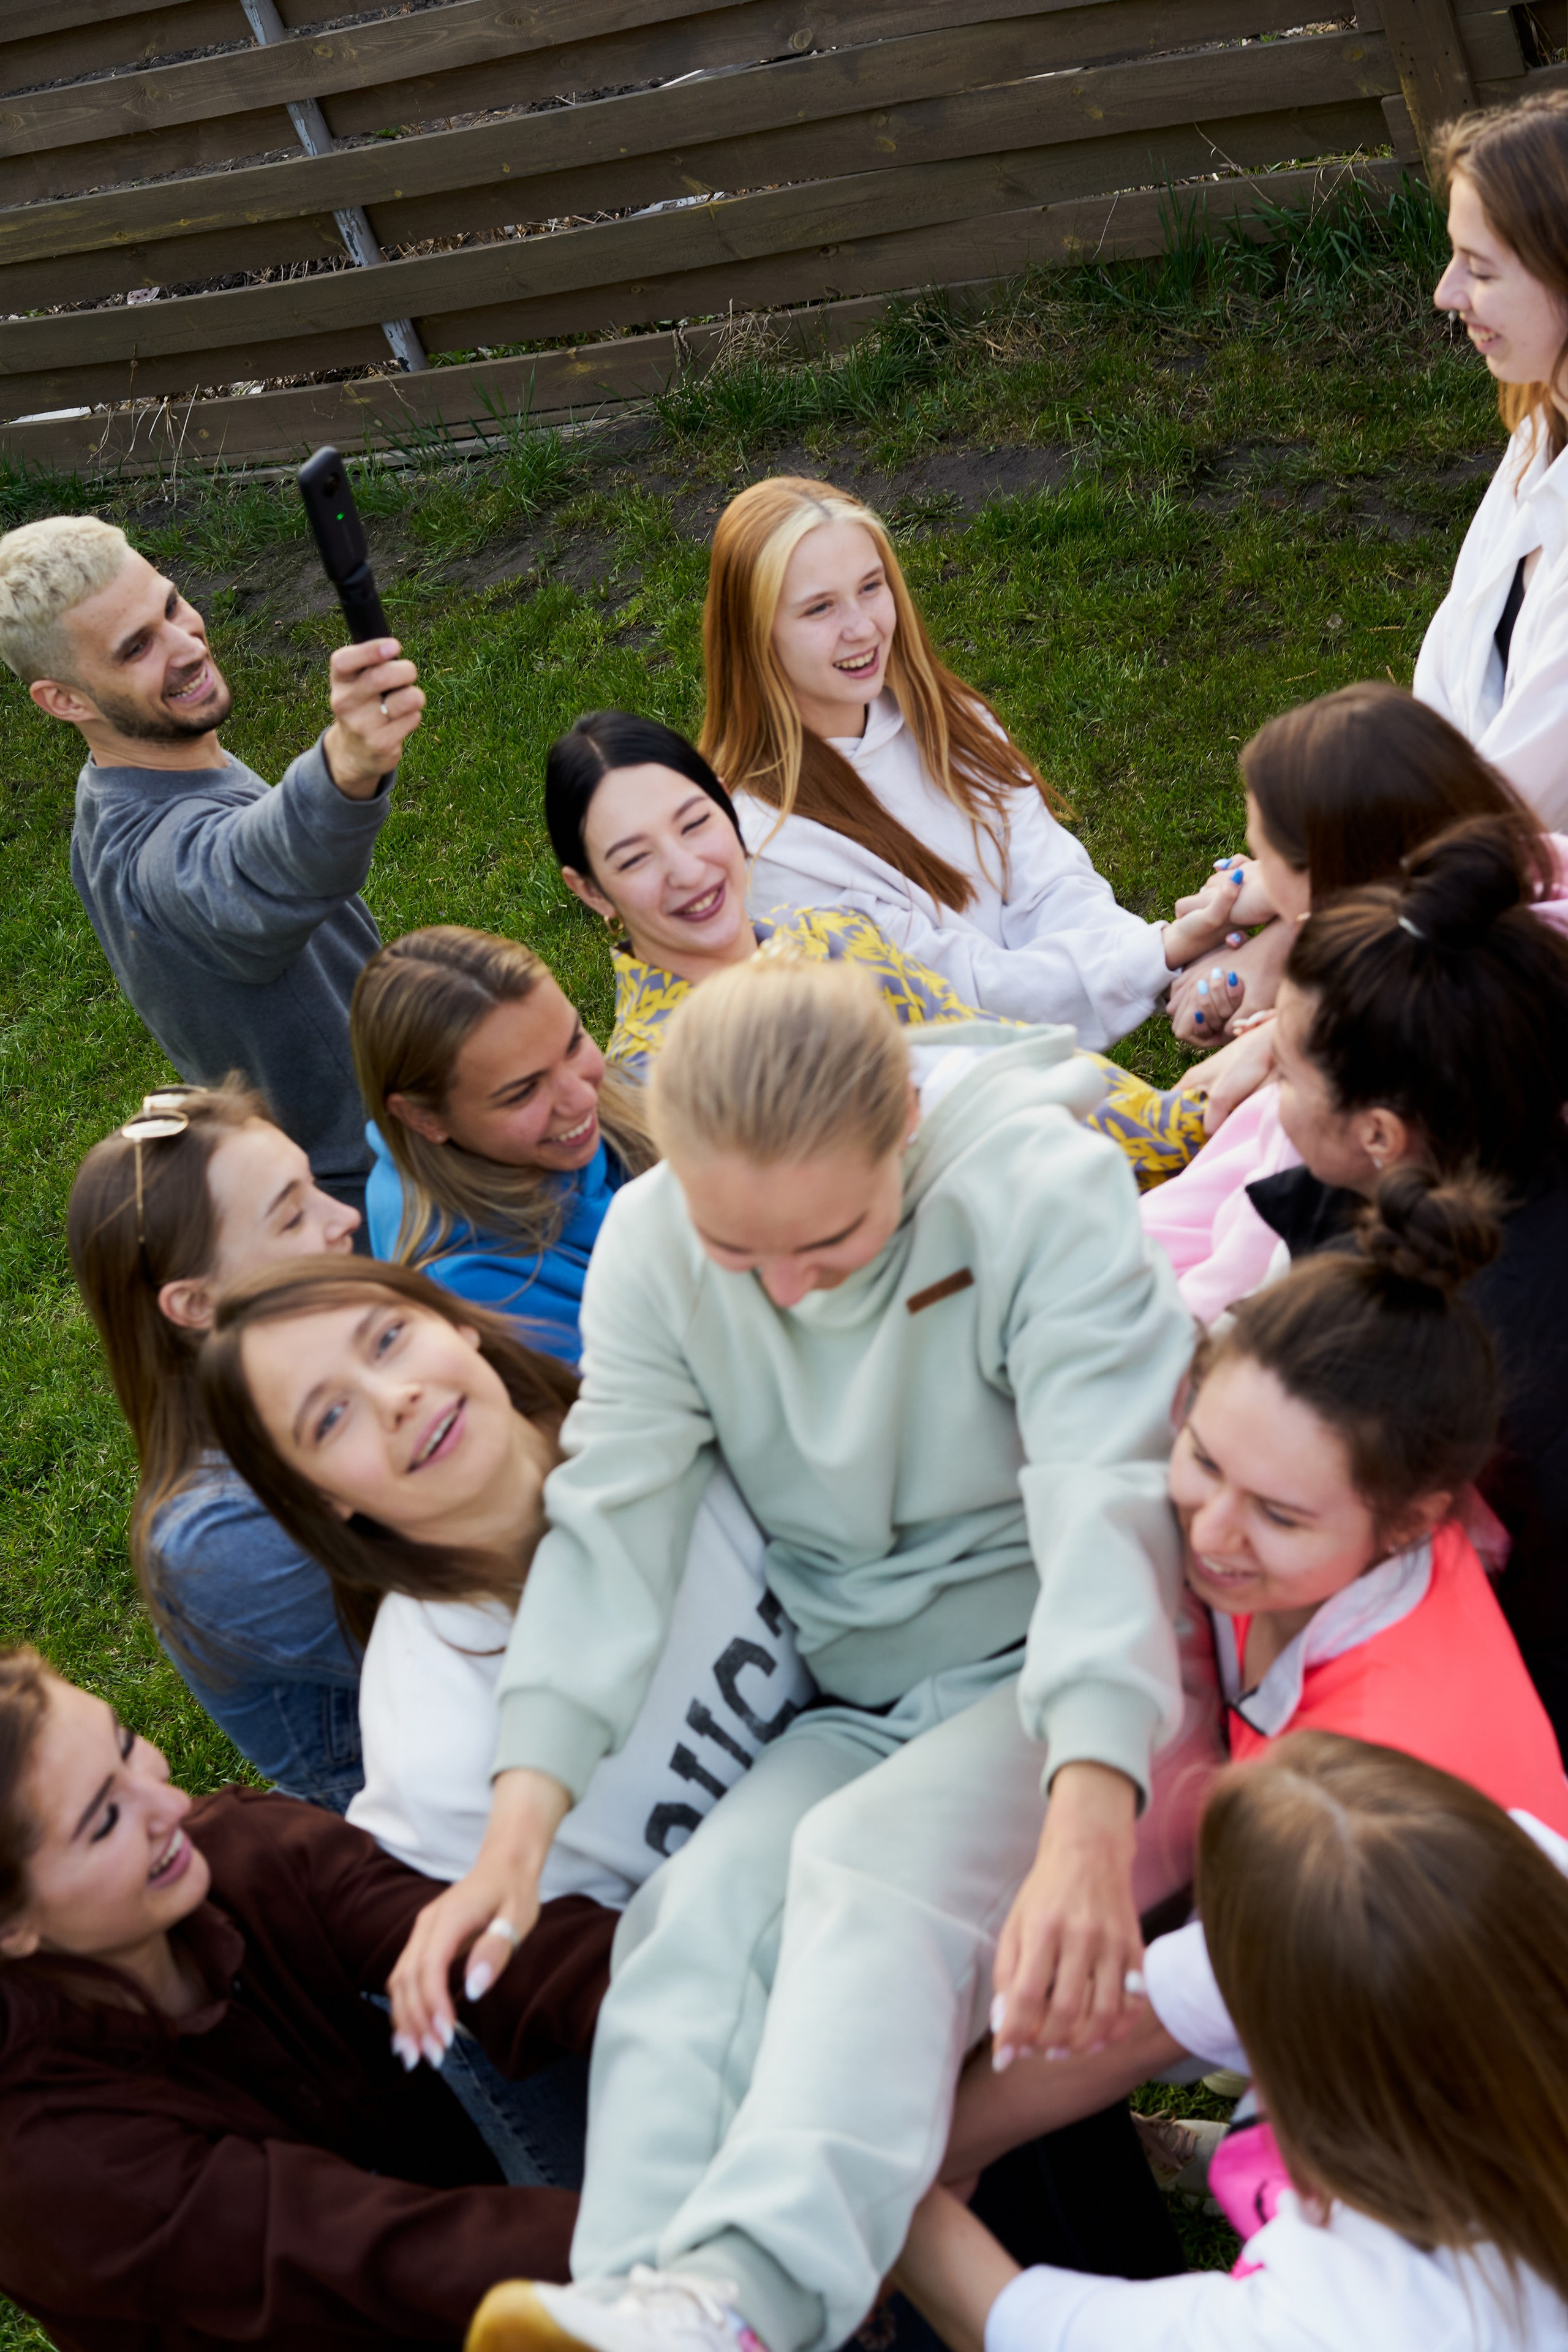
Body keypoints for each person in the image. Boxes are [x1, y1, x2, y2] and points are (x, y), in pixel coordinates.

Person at [387, 954, 1219, 2352]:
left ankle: (747, 2303)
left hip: (1082, 1676)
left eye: (826, 1245)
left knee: (858, 1872)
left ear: (901, 1111)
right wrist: (518, 1820)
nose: (778, 1291)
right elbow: (610, 1521)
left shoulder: (1032, 1190)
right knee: (687, 1924)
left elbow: (1105, 1494)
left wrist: (1088, 1812)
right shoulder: (654, 1243)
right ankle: (631, 2306)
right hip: (868, 1694)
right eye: (737, 1252)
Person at [881, 1189, 1568, 2280]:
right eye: (1201, 1461)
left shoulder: (1388, 1768)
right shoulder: (1288, 1475)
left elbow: (1154, 2016)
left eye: (1280, 1518)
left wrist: (917, 2164)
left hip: (1436, 2133)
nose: (1210, 1531)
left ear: (1416, 1522)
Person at [0, 1646, 616, 2352]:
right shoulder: (53, 2161)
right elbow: (367, 2256)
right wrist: (658, 2249)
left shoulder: (241, 1852)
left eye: (127, 1745)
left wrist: (715, 2009)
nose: (169, 1800)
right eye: (104, 1820)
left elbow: (500, 1950)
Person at [885, 1736, 1568, 2352]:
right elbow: (1146, 2019)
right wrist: (949, 2148)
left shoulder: (1336, 2319)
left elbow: (999, 2319)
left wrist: (873, 2167)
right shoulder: (1502, 1880)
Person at [197, 1258, 812, 1905]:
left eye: (387, 1339)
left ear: (458, 1322)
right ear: (319, 1498)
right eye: (329, 1419)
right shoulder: (436, 1763)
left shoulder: (680, 1397)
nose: (395, 1399)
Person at [546, 708, 1208, 1192]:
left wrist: (1185, 1117)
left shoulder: (836, 935)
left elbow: (1004, 1065)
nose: (688, 870)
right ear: (592, 892)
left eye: (695, 824)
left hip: (1108, 1183)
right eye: (635, 859)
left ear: (729, 811)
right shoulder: (650, 1085)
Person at [697, 477, 1246, 1050]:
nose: (861, 627)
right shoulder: (766, 839)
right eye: (820, 608)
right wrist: (1164, 952)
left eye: (870, 587)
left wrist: (1180, 975)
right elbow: (957, 993)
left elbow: (1050, 884)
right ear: (756, 636)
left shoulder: (947, 719)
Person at [1243, 818, 1568, 1749]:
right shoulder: (1508, 1155)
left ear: (1381, 1136)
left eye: (1286, 1067)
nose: (1268, 1078)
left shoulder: (1423, 1358)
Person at [0, 514, 424, 1218]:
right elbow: (245, 876)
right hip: (382, 1200)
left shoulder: (132, 770)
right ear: (65, 700)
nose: (186, 644)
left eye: (169, 605)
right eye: (135, 648)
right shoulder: (153, 860)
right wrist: (345, 764)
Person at [1140, 683, 1564, 1321]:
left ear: (1326, 874)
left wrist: (1292, 1036)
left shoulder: (1336, 1090)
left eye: (1260, 857)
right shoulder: (1504, 918)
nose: (1249, 874)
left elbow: (1219, 1286)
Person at [67, 1080, 366, 1809]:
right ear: (196, 1305)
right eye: (294, 1216)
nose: (346, 1217)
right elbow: (488, 1618)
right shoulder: (215, 1538)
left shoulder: (347, 1363)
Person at [354, 928, 657, 1363]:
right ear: (424, 1118)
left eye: (574, 1043)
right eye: (522, 1093)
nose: (583, 1097)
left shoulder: (526, 1136)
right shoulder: (476, 1290)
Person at [1414, 92, 1568, 826]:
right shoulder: (1540, 429)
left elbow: (1513, 810)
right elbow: (1447, 669)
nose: (1446, 293)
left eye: (1478, 267)